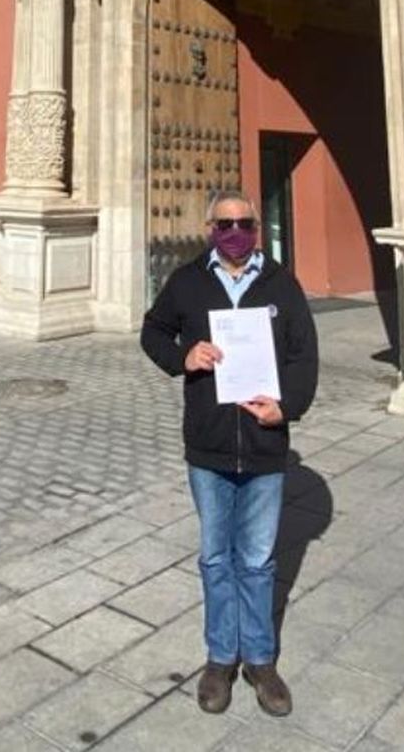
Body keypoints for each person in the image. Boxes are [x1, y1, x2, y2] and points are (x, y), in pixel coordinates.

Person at [140, 188, 319, 719]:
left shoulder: (281, 285)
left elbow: (304, 356)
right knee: (216, 557)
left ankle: (261, 660)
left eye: (244, 223)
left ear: (257, 228)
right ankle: (220, 658)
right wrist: (182, 356)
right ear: (209, 229)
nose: (235, 232)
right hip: (209, 445)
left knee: (259, 560)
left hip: (264, 446)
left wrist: (285, 409)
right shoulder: (188, 282)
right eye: (224, 224)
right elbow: (153, 331)